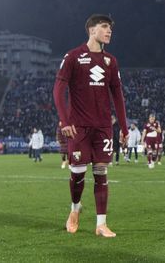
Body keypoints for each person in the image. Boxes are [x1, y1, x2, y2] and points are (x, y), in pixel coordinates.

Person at [53, 14, 128, 237]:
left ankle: (101, 224)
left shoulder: (111, 61)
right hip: (79, 127)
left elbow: (118, 95)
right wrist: (65, 121)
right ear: (91, 30)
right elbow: (58, 90)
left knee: (101, 173)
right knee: (77, 173)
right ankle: (74, 209)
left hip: (103, 126)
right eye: (105, 27)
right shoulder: (73, 57)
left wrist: (123, 128)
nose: (109, 31)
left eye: (110, 28)